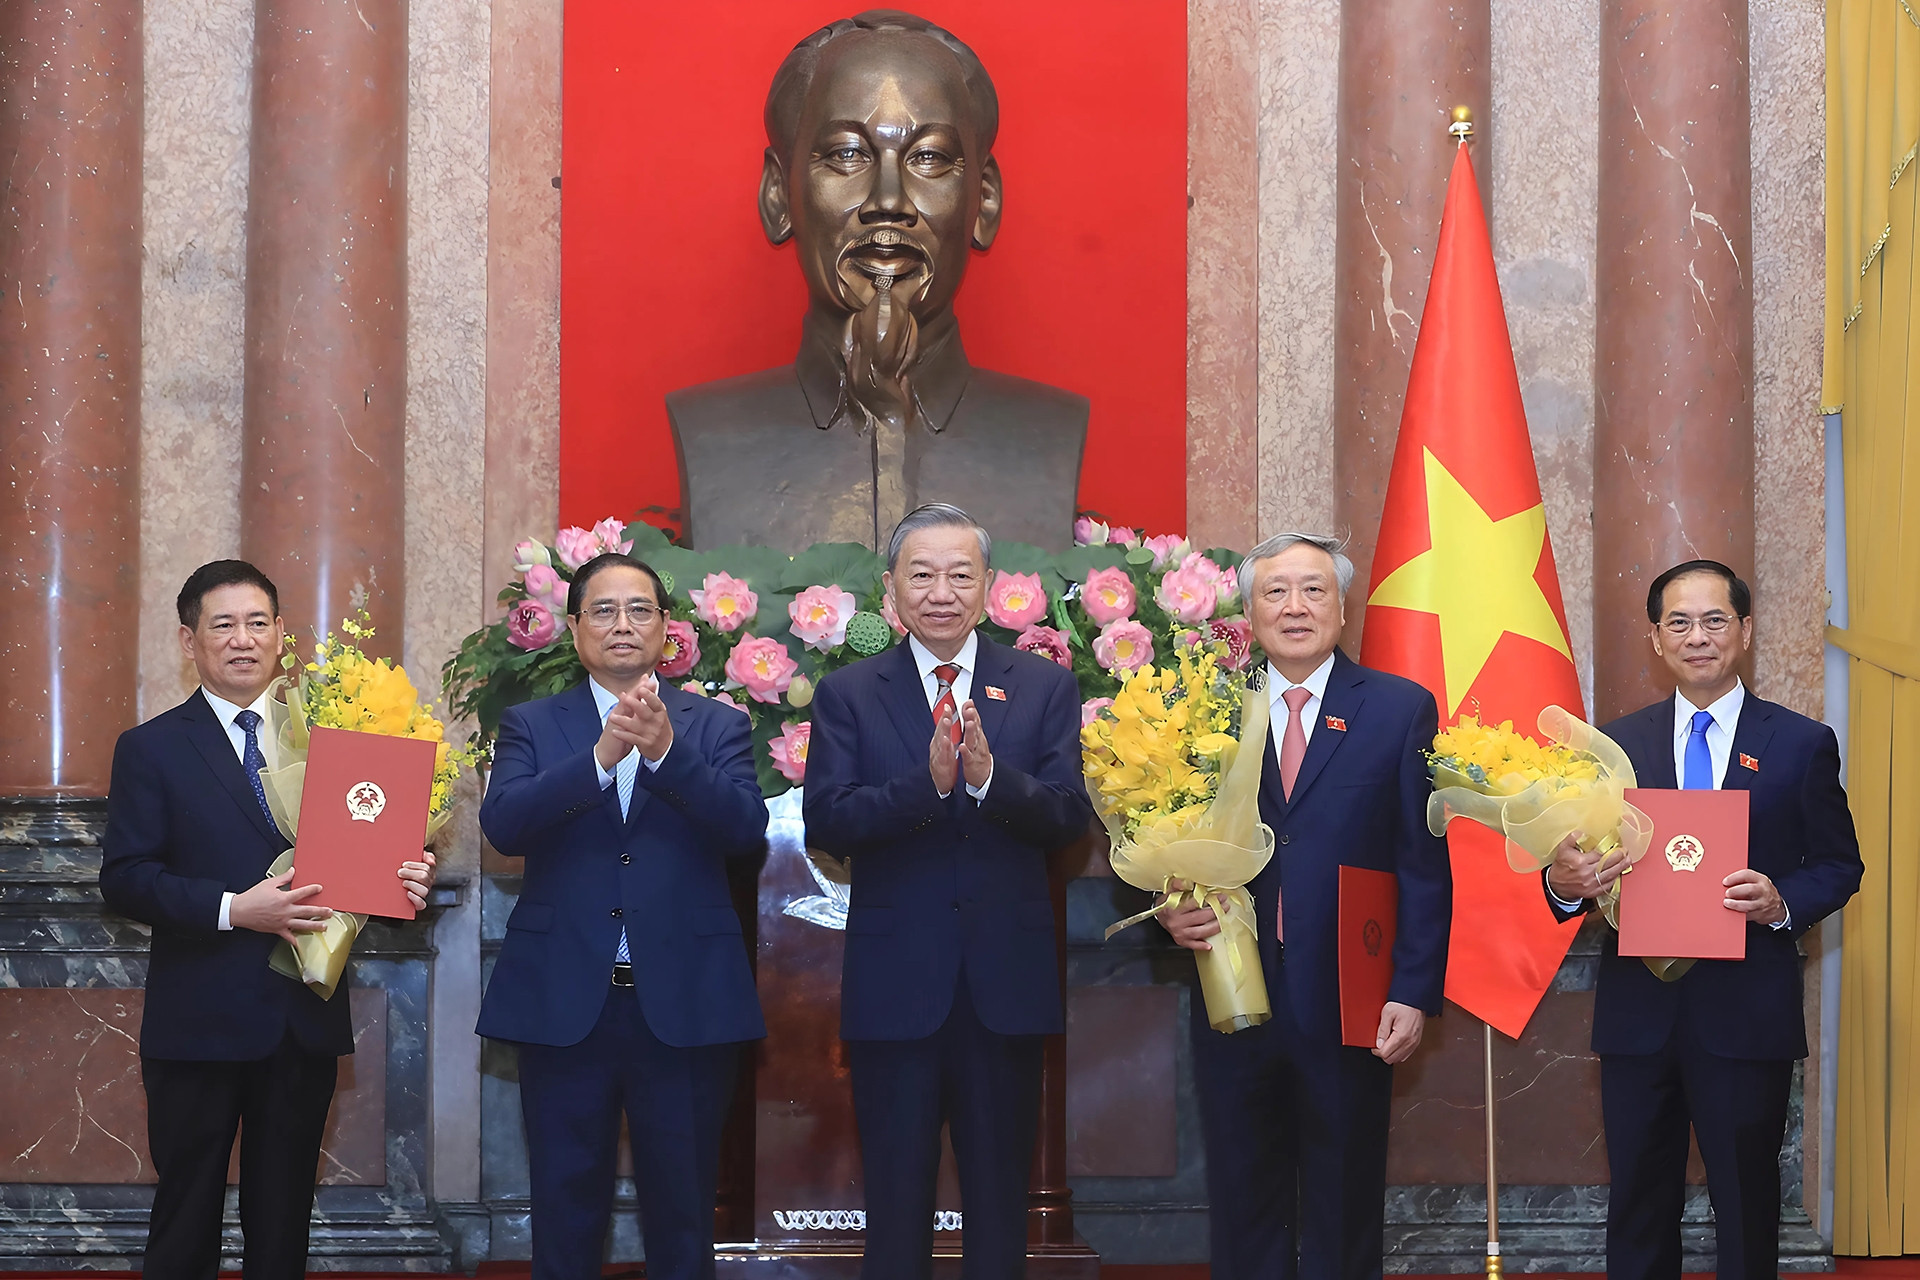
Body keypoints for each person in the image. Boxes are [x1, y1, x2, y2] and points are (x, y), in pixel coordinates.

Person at [100, 559, 436, 1279]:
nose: (242, 639)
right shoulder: (150, 747)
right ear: (189, 641)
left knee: (283, 1223)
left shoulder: (330, 737)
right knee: (186, 1213)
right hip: (198, 1020)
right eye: (222, 625)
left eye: (258, 623)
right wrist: (232, 909)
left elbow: (365, 867)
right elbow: (125, 880)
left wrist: (405, 883)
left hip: (299, 1018)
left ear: (282, 634)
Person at [1543, 559, 1862, 1280]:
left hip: (1746, 1014)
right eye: (1678, 622)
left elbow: (1841, 866)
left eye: (1715, 619)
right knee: (1638, 1204)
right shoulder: (1612, 748)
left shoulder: (1800, 743)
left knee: (1747, 1206)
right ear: (1656, 639)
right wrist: (1565, 883)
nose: (1698, 636)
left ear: (1744, 631)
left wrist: (1783, 901)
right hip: (1639, 1016)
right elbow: (1569, 868)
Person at [667, 11, 1087, 552]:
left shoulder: (1050, 432)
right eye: (847, 154)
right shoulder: (711, 432)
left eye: (929, 158)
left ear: (983, 201)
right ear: (779, 195)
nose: (888, 200)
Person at [803, 503, 1093, 1280]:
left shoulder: (1041, 687)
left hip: (1006, 983)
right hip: (896, 984)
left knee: (1000, 1205)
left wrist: (991, 779)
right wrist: (923, 789)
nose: (941, 591)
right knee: (895, 1204)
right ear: (890, 588)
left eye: (960, 574)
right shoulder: (850, 693)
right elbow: (826, 822)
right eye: (921, 574)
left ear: (989, 585)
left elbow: (1070, 820)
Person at [1157, 532, 1453, 1280]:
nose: (1295, 607)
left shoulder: (1398, 710)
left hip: (1351, 998)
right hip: (1235, 991)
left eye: (1314, 589)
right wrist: (1166, 905)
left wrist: (1413, 992)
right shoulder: (1205, 710)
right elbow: (1160, 830)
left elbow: (1423, 866)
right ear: (1249, 611)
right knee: (1243, 1196)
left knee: (1343, 1198)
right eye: (1276, 591)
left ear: (1344, 606)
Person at [477, 552, 768, 1280]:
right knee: (566, 1211)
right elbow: (506, 825)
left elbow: (743, 830)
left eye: (640, 609)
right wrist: (601, 759)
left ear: (667, 628)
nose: (622, 625)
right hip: (566, 999)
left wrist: (667, 754)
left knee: (683, 1213)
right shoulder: (531, 724)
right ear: (574, 629)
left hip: (688, 1000)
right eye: (603, 610)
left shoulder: (716, 726)